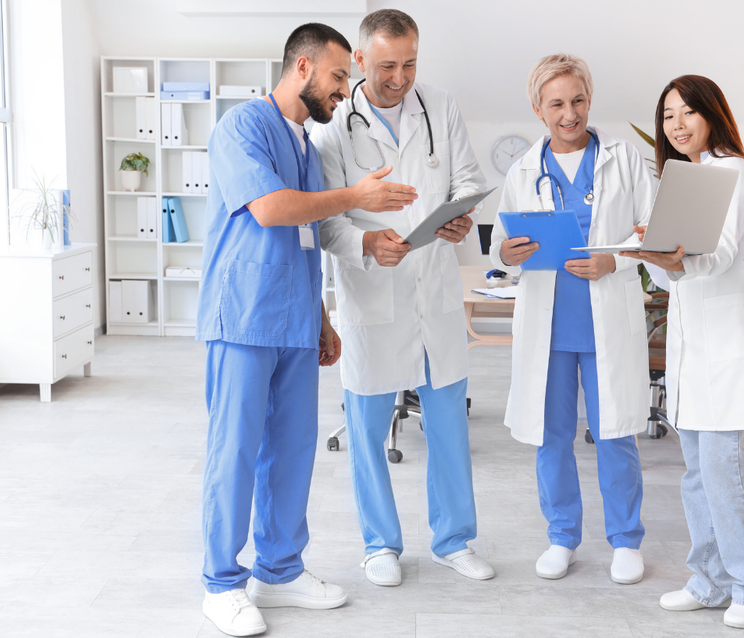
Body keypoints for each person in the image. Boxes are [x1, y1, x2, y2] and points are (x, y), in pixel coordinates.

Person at [196, 22, 419, 637]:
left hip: (293, 318)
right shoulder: (242, 126)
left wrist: (320, 317)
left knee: (292, 451)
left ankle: (280, 568)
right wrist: (358, 194)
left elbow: (307, 240)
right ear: (302, 68)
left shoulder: (303, 143)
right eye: (339, 76)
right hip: (242, 315)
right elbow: (271, 209)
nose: (345, 90)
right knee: (235, 451)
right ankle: (221, 584)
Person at [311, 8, 494, 587]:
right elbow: (326, 221)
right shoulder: (333, 126)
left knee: (447, 425)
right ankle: (379, 544)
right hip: (372, 291)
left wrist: (462, 216)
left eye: (410, 62)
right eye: (387, 65)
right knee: (365, 427)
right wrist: (367, 242)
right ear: (360, 60)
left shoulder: (439, 105)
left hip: (434, 288)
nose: (399, 77)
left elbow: (466, 180)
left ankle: (453, 540)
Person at [489, 53, 653, 584]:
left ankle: (626, 540)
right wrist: (507, 255)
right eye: (557, 103)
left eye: (578, 100)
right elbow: (501, 244)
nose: (570, 113)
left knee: (615, 434)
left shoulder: (624, 159)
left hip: (607, 319)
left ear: (590, 100)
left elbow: (651, 232)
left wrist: (616, 258)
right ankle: (562, 536)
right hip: (550, 328)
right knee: (551, 436)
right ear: (538, 108)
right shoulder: (521, 170)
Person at [621, 75, 744, 630]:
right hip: (692, 342)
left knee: (723, 466)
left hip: (725, 337)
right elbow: (676, 279)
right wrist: (656, 253)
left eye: (687, 112)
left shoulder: (731, 170)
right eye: (667, 116)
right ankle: (709, 580)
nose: (676, 124)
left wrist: (670, 256)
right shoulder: (686, 178)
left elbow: (721, 257)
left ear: (712, 114)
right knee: (697, 471)